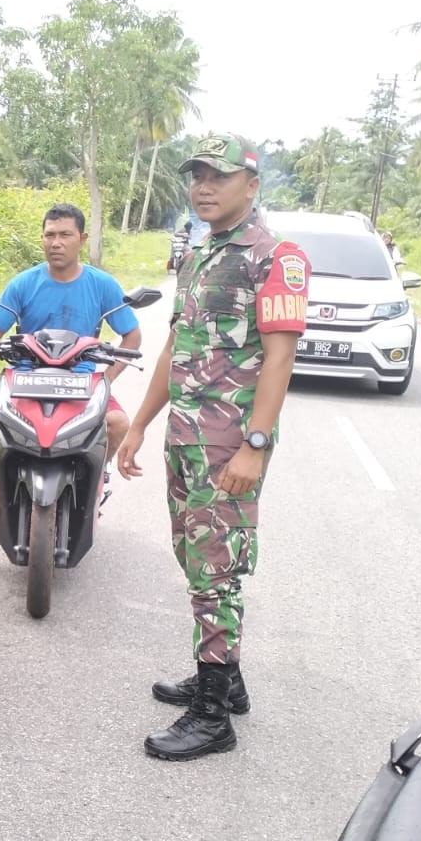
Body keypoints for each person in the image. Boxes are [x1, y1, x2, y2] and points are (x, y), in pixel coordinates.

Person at [117, 134, 308, 761]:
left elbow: (280, 356)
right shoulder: (200, 255)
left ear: (251, 185)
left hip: (229, 446)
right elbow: (177, 345)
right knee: (197, 558)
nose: (204, 186)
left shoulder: (274, 257)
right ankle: (226, 679)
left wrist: (255, 444)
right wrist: (143, 420)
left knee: (216, 570)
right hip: (186, 440)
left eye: (218, 176)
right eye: (197, 175)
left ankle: (212, 715)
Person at [0, 203, 143, 572]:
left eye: (65, 235)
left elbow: (132, 335)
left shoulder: (102, 284)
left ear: (82, 239)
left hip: (82, 380)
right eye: (49, 235)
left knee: (119, 423)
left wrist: (106, 378)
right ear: (42, 238)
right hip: (25, 377)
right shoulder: (24, 282)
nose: (56, 242)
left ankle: (96, 479)